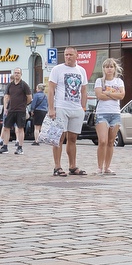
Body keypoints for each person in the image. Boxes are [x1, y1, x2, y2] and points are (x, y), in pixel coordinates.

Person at [47, 47, 89, 176]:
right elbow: (51, 89)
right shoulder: (57, 69)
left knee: (73, 138)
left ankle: (72, 166)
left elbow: (84, 90)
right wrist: (51, 108)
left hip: (76, 108)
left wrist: (83, 107)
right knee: (59, 137)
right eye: (66, 55)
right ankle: (57, 166)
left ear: (76, 55)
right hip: (61, 107)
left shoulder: (81, 70)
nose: (68, 57)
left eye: (71, 54)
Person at [94, 57, 126, 175]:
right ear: (103, 69)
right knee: (102, 141)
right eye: (107, 67)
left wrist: (107, 92)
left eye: (111, 67)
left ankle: (107, 167)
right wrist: (113, 94)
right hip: (102, 113)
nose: (109, 69)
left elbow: (122, 95)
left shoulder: (119, 82)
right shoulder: (100, 81)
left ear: (114, 68)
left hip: (115, 113)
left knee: (111, 141)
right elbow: (99, 96)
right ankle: (99, 166)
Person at [0, 67, 32, 154]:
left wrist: (24, 104)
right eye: (15, 73)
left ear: (21, 74)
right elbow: (6, 97)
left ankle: (20, 147)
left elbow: (29, 98)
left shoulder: (24, 85)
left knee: (20, 128)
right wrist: (5, 108)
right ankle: (5, 146)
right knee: (6, 128)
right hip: (11, 110)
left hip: (20, 110)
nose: (16, 74)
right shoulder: (10, 85)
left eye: (18, 73)